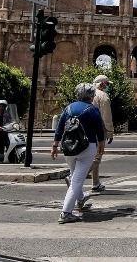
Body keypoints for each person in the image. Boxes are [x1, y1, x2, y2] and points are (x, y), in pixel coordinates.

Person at [51, 83, 106, 224]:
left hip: (68, 148)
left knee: (75, 176)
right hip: (87, 148)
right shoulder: (92, 110)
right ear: (90, 96)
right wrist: (102, 146)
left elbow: (59, 128)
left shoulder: (68, 108)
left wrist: (55, 145)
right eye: (93, 94)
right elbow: (100, 131)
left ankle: (80, 198)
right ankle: (66, 213)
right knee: (77, 180)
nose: (94, 96)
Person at [88, 74, 114, 192]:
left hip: (85, 128)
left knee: (92, 155)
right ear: (102, 84)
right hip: (98, 129)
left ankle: (96, 182)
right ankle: (75, 177)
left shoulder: (88, 93)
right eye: (107, 84)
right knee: (97, 156)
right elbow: (106, 117)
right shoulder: (103, 96)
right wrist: (110, 132)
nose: (108, 86)